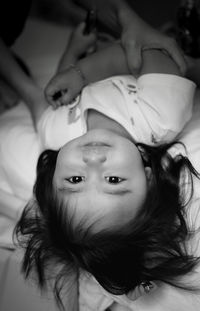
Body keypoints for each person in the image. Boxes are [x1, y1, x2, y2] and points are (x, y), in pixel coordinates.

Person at [12, 15, 200, 311]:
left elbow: (57, 96)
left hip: (91, 54)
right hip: (135, 45)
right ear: (148, 176)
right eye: (113, 180)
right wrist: (83, 72)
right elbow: (152, 50)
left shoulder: (56, 137)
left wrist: (72, 58)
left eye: (74, 181)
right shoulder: (159, 116)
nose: (92, 161)